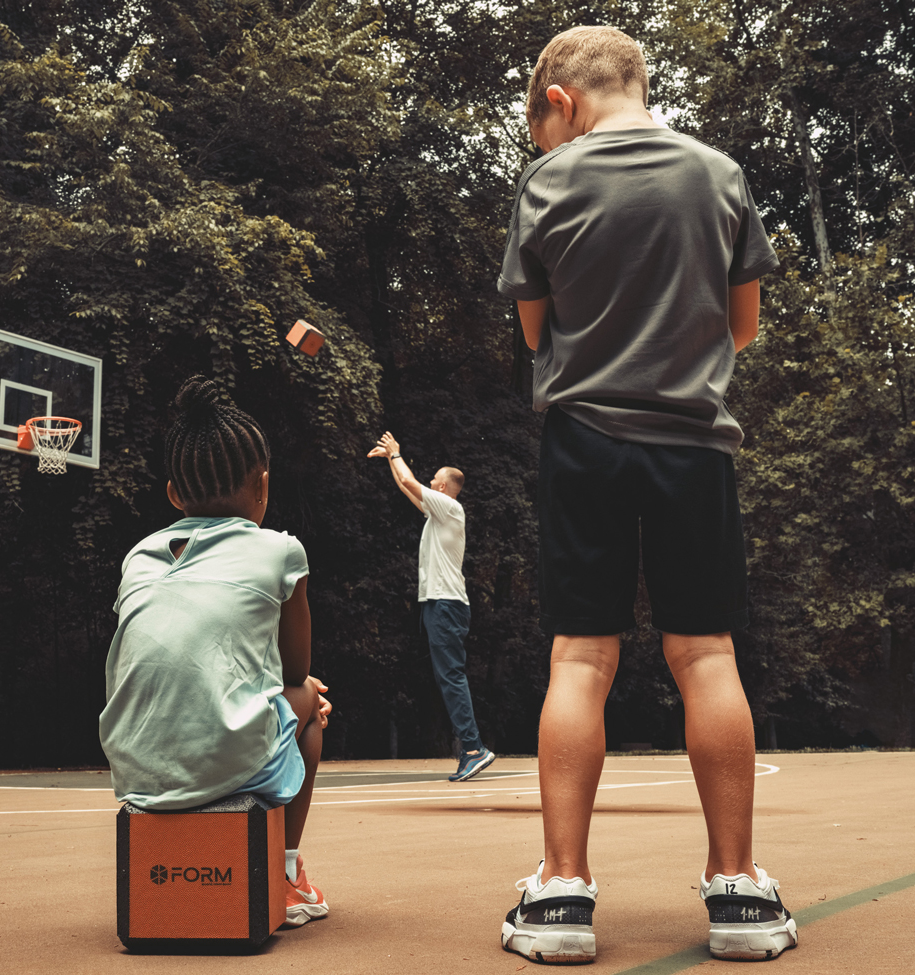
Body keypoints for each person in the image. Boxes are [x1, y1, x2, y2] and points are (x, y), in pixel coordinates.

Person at [495, 26, 795, 964]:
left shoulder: (550, 183)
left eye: (540, 125)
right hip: (692, 444)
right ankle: (739, 892)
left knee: (580, 659)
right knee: (705, 653)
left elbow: (537, 331)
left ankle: (562, 898)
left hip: (584, 444)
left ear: (561, 100)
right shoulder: (718, 175)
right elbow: (741, 329)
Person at [99, 375, 332, 927]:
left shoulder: (138, 556)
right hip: (226, 756)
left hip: (134, 771)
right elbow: (294, 671)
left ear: (175, 496)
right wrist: (299, 690)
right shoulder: (279, 550)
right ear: (263, 486)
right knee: (310, 701)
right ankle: (286, 872)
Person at [366, 431, 497, 781]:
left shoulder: (451, 509)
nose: (430, 482)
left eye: (434, 480)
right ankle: (471, 748)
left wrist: (396, 452)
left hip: (446, 605)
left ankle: (473, 748)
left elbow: (409, 479)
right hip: (438, 605)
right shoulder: (437, 515)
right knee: (447, 677)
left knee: (451, 677)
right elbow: (406, 485)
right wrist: (391, 463)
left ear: (442, 489)